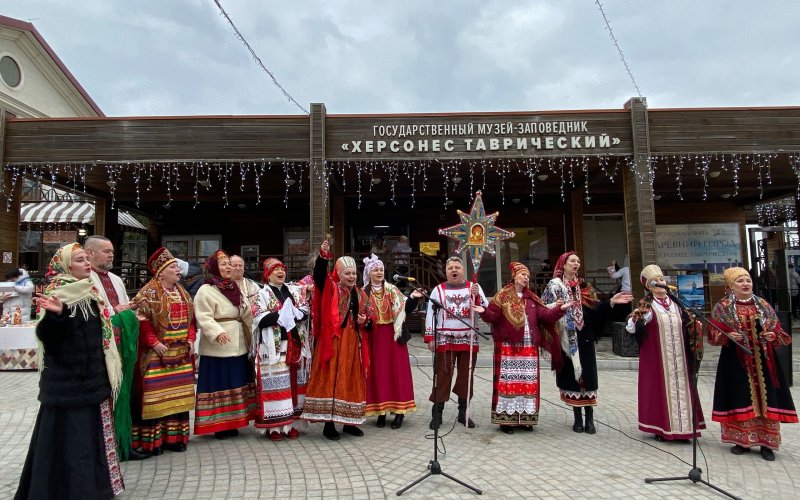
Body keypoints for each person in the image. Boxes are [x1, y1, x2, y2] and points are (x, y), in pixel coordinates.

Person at [16, 243, 124, 499]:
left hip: (94, 380)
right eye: (80, 260)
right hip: (69, 385)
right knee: (71, 441)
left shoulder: (90, 292)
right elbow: (46, 336)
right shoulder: (59, 293)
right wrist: (56, 317)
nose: (87, 263)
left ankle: (96, 487)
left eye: (87, 259)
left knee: (88, 440)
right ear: (65, 266)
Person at [708, 267, 797, 461]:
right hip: (736, 361)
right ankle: (742, 441)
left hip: (764, 360)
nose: (745, 284)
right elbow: (714, 334)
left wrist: (771, 335)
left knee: (768, 398)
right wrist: (729, 335)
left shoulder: (763, 305)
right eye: (740, 281)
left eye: (747, 280)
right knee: (740, 396)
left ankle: (767, 443)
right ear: (731, 286)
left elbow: (777, 330)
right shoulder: (722, 307)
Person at [541, 251, 632, 434]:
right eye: (572, 261)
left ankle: (589, 417)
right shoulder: (554, 286)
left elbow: (596, 310)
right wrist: (556, 308)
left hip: (585, 335)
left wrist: (611, 303)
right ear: (564, 264)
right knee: (573, 375)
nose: (576, 264)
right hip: (567, 337)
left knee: (588, 374)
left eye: (578, 261)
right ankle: (577, 418)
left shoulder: (585, 286)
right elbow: (544, 310)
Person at [474, 262, 568, 434]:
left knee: (527, 383)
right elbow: (493, 316)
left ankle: (526, 418)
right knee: (508, 382)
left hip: (529, 347)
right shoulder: (502, 295)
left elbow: (545, 315)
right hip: (508, 347)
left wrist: (559, 309)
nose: (526, 278)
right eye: (523, 274)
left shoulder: (532, 298)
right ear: (515, 276)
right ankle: (506, 420)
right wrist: (483, 311)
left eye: (528, 276)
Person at [303, 238, 374, 441]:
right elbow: (318, 277)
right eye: (347, 273)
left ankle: (349, 422)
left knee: (351, 379)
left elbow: (370, 318)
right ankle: (329, 424)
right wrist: (324, 256)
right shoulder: (331, 288)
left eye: (353, 273)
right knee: (332, 378)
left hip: (353, 342)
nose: (351, 277)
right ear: (339, 274)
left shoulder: (360, 293)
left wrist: (365, 321)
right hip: (333, 340)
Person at [85, 235, 148, 462]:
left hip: (122, 348)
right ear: (90, 253)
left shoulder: (116, 279)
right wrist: (118, 311)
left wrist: (131, 308)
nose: (111, 255)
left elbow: (121, 307)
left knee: (123, 394)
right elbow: (93, 313)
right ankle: (102, 448)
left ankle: (123, 443)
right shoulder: (85, 279)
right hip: (101, 350)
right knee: (105, 397)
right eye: (106, 251)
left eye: (112, 251)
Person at [626, 264, 705, 443]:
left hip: (680, 355)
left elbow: (688, 324)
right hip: (658, 356)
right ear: (648, 286)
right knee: (659, 388)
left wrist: (695, 326)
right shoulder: (646, 304)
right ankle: (661, 429)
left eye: (662, 280)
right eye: (656, 281)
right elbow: (631, 328)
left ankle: (685, 430)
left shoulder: (677, 303)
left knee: (683, 388)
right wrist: (639, 318)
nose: (660, 283)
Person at [130, 247, 197, 455]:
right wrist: (153, 342)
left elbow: (192, 319)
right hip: (158, 354)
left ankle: (175, 438)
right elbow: (141, 319)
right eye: (173, 267)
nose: (178, 270)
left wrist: (191, 338)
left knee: (178, 397)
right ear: (161, 272)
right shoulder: (148, 293)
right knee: (156, 397)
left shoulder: (182, 292)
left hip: (180, 354)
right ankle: (154, 441)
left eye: (177, 266)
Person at [193, 250, 257, 438]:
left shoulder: (233, 287)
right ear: (213, 268)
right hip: (218, 347)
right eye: (223, 265)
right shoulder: (206, 289)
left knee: (235, 382)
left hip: (238, 342)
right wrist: (216, 332)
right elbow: (203, 315)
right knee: (219, 384)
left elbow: (245, 311)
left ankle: (233, 422)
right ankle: (219, 425)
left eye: (229, 264)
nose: (228, 267)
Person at [251, 257, 311, 441]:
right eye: (275, 270)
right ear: (268, 274)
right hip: (274, 347)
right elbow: (258, 318)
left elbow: (305, 309)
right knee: (278, 387)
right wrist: (280, 314)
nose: (280, 272)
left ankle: (291, 423)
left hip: (295, 343)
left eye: (282, 269)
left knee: (294, 385)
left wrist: (293, 312)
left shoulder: (292, 290)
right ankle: (275, 427)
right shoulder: (261, 294)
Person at [425, 256, 487, 430]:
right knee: (442, 376)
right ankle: (437, 413)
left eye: (457, 267)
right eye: (450, 267)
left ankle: (463, 413)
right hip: (445, 339)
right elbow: (430, 314)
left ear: (463, 270)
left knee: (466, 378)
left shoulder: (473, 287)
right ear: (445, 271)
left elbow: (485, 309)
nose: (454, 270)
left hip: (468, 339)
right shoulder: (438, 290)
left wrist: (477, 297)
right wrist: (430, 338)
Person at [362, 253, 420, 429]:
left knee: (397, 373)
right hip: (374, 337)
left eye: (381, 269)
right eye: (375, 270)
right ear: (369, 273)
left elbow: (405, 309)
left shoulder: (393, 290)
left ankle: (399, 412)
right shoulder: (363, 292)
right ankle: (380, 411)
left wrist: (413, 298)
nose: (379, 272)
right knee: (378, 374)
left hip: (393, 337)